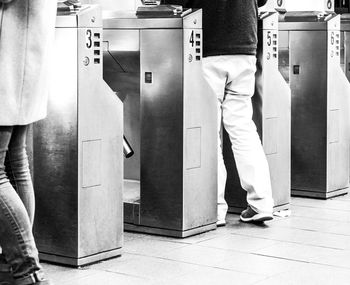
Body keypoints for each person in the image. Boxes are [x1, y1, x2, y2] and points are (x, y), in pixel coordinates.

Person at [162, 0, 274, 225]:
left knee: (211, 132)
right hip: (244, 47)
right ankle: (261, 202)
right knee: (243, 127)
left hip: (210, 47)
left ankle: (214, 207)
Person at [0, 0, 57, 284]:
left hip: (8, 59)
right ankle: (11, 263)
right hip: (25, 56)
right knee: (14, 163)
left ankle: (26, 268)